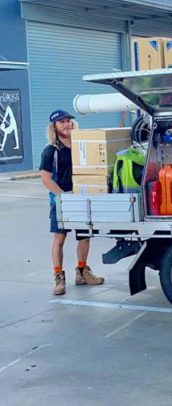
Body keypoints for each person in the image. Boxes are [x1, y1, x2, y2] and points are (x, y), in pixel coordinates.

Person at [40, 110, 104, 295]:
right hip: (61, 200)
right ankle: (59, 277)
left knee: (84, 236)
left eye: (68, 121)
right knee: (59, 239)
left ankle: (82, 272)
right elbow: (45, 178)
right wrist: (63, 196)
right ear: (54, 127)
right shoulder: (51, 151)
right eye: (62, 122)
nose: (67, 124)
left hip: (81, 198)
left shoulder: (80, 146)